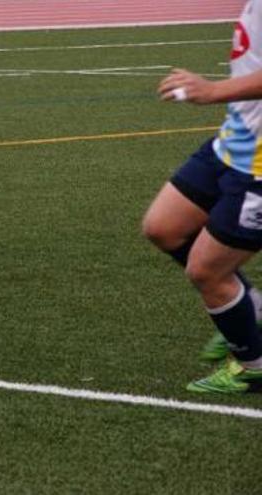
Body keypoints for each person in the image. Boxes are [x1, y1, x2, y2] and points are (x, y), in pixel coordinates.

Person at [142, 0, 262, 394]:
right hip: (233, 144)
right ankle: (251, 310)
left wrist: (212, 90)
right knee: (163, 227)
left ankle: (253, 365)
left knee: (206, 270)